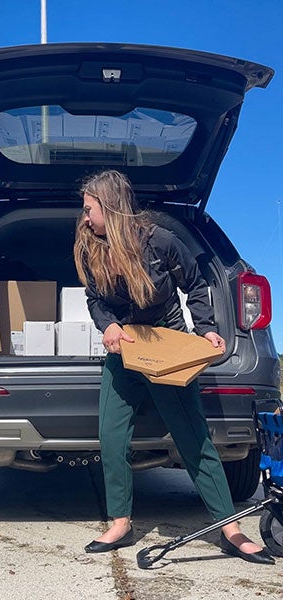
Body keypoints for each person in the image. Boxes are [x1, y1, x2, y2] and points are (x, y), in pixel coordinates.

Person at [73, 169, 274, 564]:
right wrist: (108, 325)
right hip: (126, 346)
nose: (84, 218)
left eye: (89, 209)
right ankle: (120, 522)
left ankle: (230, 529)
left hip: (167, 341)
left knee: (192, 434)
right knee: (111, 435)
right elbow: (95, 300)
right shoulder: (89, 249)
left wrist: (206, 330)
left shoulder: (160, 241)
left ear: (111, 209)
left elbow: (196, 284)